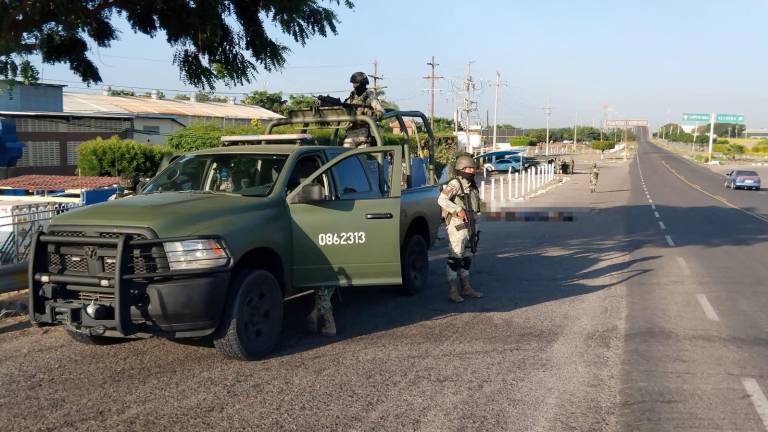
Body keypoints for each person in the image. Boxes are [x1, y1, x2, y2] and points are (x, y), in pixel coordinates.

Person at [437, 154, 484, 303]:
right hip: (457, 225)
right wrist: (457, 209)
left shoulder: (471, 185)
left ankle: (466, 287)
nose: (471, 171)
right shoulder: (455, 184)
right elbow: (441, 199)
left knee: (465, 257)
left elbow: (476, 205)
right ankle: (452, 290)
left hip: (469, 225)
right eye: (467, 168)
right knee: (455, 257)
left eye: (472, 168)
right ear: (460, 169)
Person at [343, 72, 385, 148]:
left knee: (362, 155)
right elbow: (346, 106)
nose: (354, 86)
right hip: (350, 132)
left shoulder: (369, 95)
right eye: (353, 83)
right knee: (345, 153)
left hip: (363, 131)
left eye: (356, 83)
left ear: (362, 83)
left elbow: (380, 111)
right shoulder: (352, 95)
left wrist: (372, 117)